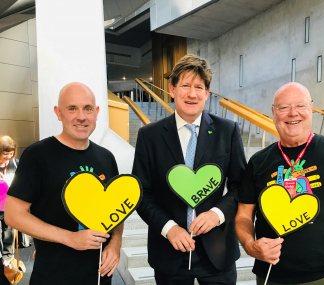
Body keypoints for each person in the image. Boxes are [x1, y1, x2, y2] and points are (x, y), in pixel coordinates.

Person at [235, 82, 324, 285]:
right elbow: (244, 215)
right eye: (283, 107)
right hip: (271, 276)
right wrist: (250, 245)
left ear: (311, 108)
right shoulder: (258, 161)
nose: (292, 113)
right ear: (273, 112)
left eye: (300, 105)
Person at [132, 54, 246, 284]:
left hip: (217, 251)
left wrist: (217, 214)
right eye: (185, 85)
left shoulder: (228, 131)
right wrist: (169, 227)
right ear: (172, 90)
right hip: (169, 251)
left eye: (198, 87)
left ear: (207, 93)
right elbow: (141, 193)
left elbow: (240, 186)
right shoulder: (149, 136)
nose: (192, 94)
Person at [4, 82, 123, 285]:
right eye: (72, 108)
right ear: (58, 113)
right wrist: (70, 238)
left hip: (99, 275)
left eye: (88, 108)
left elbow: (118, 209)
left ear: (97, 112)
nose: (81, 116)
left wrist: (115, 244)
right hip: (53, 275)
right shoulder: (37, 156)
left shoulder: (106, 158)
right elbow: (13, 215)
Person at [0, 135, 18, 285]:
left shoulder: (14, 164)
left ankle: (7, 260)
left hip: (9, 208)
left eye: (11, 153)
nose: (8, 157)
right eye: (5, 153)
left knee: (8, 235)